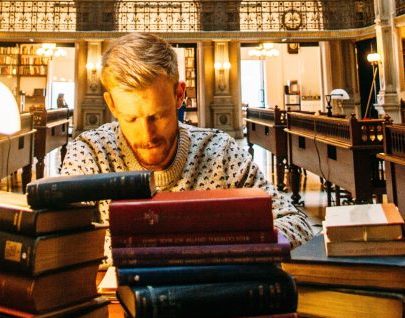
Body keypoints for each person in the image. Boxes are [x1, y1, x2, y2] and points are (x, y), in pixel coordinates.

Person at [60, 33, 313, 255]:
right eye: (131, 118)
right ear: (112, 105)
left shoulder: (220, 153)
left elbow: (296, 225)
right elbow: (61, 244)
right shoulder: (90, 154)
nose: (147, 135)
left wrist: (212, 249)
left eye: (157, 116)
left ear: (179, 95)